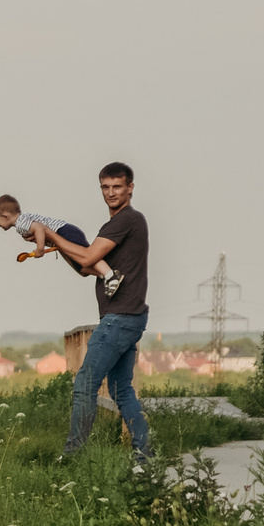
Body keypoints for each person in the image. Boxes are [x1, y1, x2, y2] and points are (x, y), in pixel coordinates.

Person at [39, 162, 152, 465]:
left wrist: (50, 232)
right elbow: (87, 268)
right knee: (120, 388)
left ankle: (72, 456)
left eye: (117, 186)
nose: (111, 193)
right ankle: (144, 453)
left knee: (85, 384)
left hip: (120, 317)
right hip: (128, 316)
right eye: (105, 187)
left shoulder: (128, 219)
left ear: (130, 188)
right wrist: (57, 244)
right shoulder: (116, 226)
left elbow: (88, 256)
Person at [0, 195, 125, 297]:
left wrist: (40, 249)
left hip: (64, 231)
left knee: (85, 256)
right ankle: (104, 275)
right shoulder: (21, 222)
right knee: (81, 268)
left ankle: (110, 275)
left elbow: (39, 228)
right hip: (64, 233)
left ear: (5, 216)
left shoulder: (20, 224)